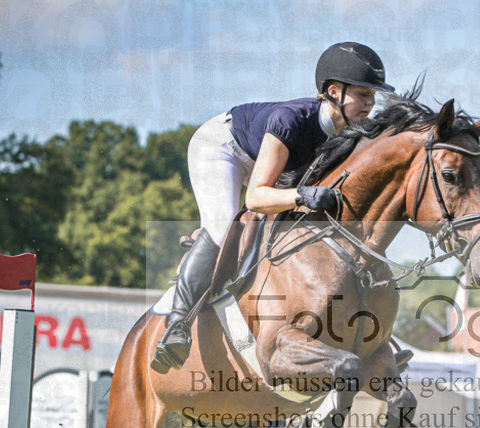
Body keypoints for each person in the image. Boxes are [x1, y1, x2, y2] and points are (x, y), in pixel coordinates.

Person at [152, 42, 395, 373]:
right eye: (363, 94)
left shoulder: (348, 135)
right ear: (334, 91)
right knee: (223, 228)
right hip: (225, 149)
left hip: (274, 164)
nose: (370, 103)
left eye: (373, 95)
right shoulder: (291, 120)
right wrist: (303, 196)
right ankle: (177, 325)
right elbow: (256, 198)